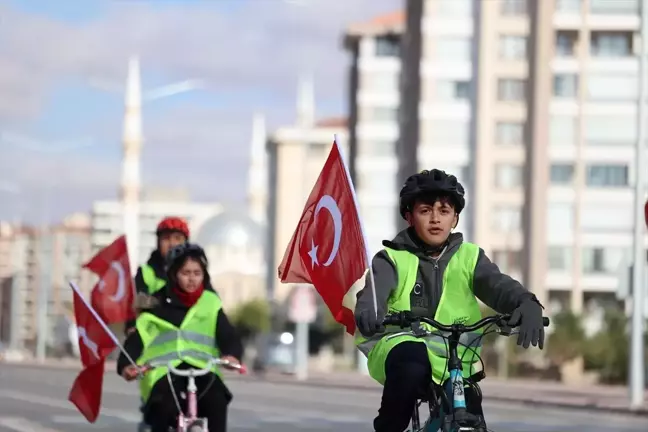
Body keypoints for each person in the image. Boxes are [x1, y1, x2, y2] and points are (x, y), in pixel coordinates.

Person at [354, 169, 545, 432]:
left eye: (444, 211)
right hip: (400, 345)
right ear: (409, 216)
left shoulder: (469, 257)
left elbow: (497, 285)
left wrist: (526, 302)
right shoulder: (391, 258)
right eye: (425, 211)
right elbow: (375, 292)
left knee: (470, 411)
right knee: (411, 364)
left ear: (455, 218)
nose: (435, 219)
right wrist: (370, 309)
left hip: (453, 354)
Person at [118, 243, 243, 432]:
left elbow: (228, 334)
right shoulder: (154, 305)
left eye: (197, 273)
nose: (192, 279)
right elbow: (138, 338)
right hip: (164, 372)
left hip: (203, 370)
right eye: (186, 273)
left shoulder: (210, 302)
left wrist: (232, 355)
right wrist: (126, 365)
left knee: (217, 400)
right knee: (163, 406)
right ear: (173, 274)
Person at [124, 216, 190, 335]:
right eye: (166, 239)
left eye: (177, 239)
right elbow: (135, 307)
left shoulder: (197, 274)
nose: (172, 244)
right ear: (158, 243)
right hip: (155, 340)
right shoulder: (145, 273)